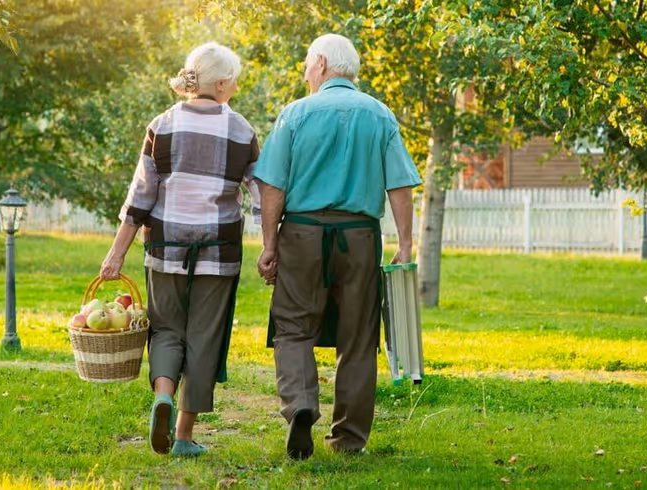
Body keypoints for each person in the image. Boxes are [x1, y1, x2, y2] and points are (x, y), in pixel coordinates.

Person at [253, 33, 421, 460]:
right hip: (361, 237)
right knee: (359, 336)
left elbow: (271, 185)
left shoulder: (295, 114)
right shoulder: (380, 115)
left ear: (323, 63)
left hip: (302, 234)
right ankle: (348, 438)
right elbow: (400, 185)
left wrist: (270, 244)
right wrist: (405, 244)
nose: (306, 73)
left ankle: (301, 405)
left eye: (308, 65)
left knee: (293, 326)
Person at [99, 42, 261, 457]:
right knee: (205, 338)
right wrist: (273, 244)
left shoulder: (163, 124)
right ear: (222, 83)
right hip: (218, 251)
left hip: (166, 246)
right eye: (236, 79)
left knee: (167, 329)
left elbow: (140, 197)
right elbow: (260, 194)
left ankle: (163, 397)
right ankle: (184, 436)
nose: (238, 85)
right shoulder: (242, 130)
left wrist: (116, 254)